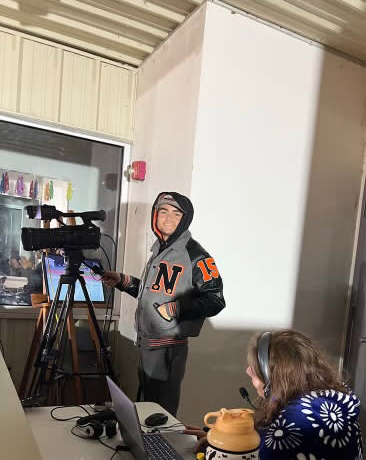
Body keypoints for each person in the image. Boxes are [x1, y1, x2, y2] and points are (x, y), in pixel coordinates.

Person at [102, 191, 225, 415]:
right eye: (163, 212)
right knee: (147, 407)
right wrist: (123, 281)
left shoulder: (196, 255)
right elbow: (152, 293)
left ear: (185, 219)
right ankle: (147, 448)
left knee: (160, 414)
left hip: (168, 348)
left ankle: (162, 449)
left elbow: (215, 300)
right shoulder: (160, 250)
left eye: (176, 214)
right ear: (155, 216)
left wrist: (177, 308)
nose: (168, 218)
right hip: (148, 344)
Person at [185, 329, 363, 459]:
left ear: (274, 380)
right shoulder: (332, 402)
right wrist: (222, 442)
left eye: (254, 369)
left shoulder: (293, 425)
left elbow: (277, 446)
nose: (248, 371)